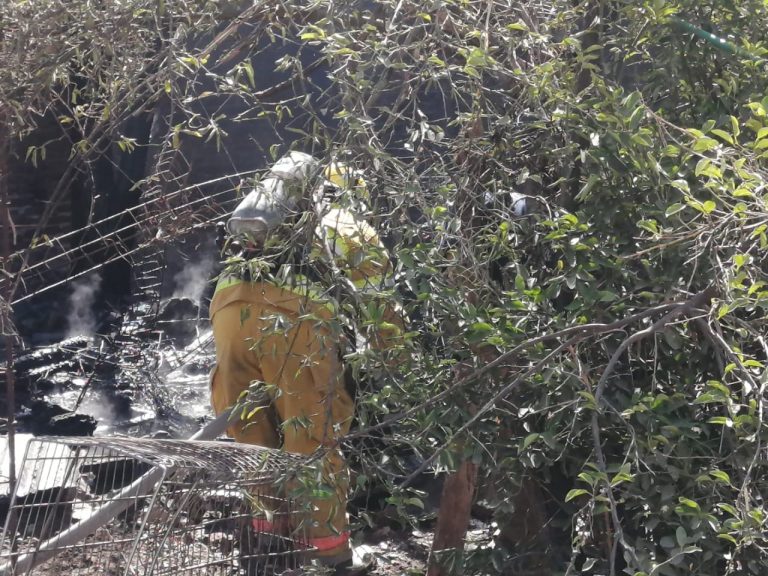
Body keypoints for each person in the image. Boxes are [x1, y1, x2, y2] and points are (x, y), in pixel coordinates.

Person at [209, 152, 399, 574]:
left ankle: (270, 545)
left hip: (229, 315)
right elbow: (380, 306)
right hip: (293, 327)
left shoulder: (266, 224)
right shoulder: (350, 226)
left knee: (255, 439)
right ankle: (333, 559)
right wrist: (395, 359)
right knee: (310, 445)